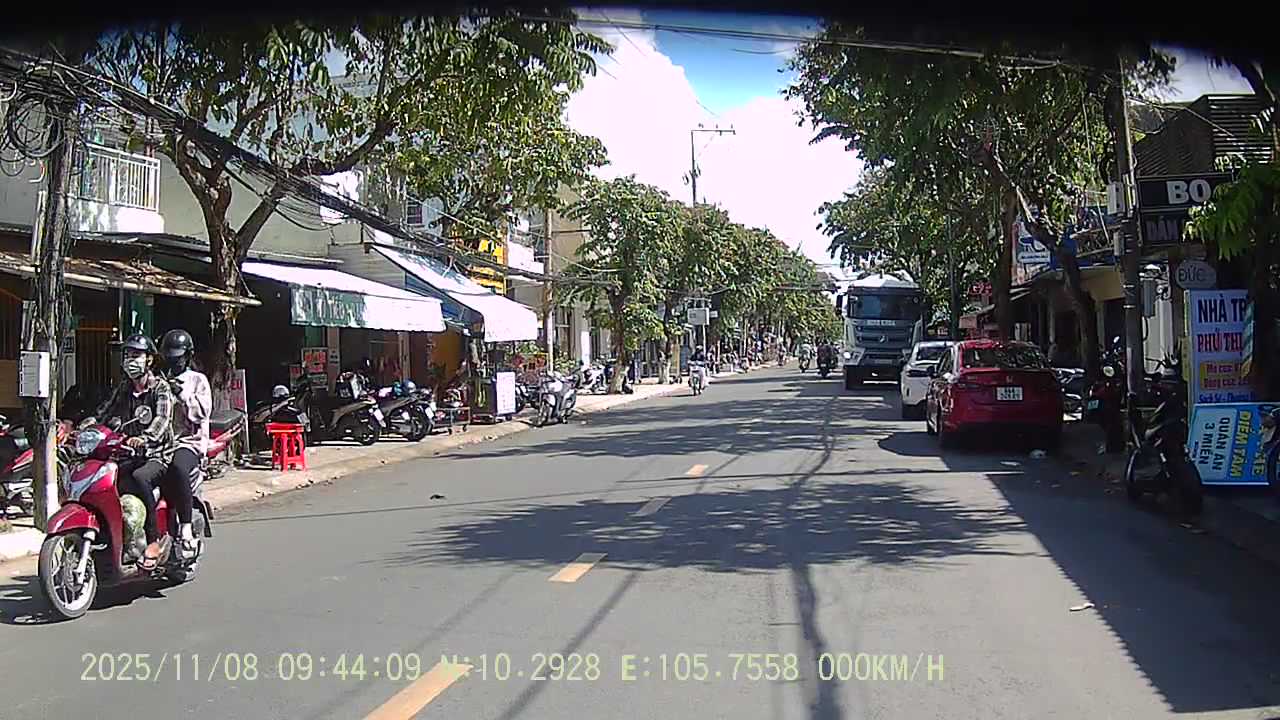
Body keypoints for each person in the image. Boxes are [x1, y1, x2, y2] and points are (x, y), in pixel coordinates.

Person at [82, 334, 174, 570]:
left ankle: (153, 540)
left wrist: (144, 438)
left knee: (140, 478)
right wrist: (83, 427)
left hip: (156, 454)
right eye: (127, 355)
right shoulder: (124, 388)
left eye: (136, 355)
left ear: (149, 360)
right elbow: (104, 412)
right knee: (102, 481)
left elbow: (162, 420)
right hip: (126, 453)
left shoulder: (160, 388)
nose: (130, 360)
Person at [159, 329, 211, 556]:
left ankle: (186, 527)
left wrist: (181, 395)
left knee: (178, 467)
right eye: (170, 357)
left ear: (187, 356)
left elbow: (201, 413)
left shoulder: (198, 381)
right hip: (159, 442)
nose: (174, 361)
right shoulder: (159, 380)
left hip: (188, 442)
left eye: (178, 357)